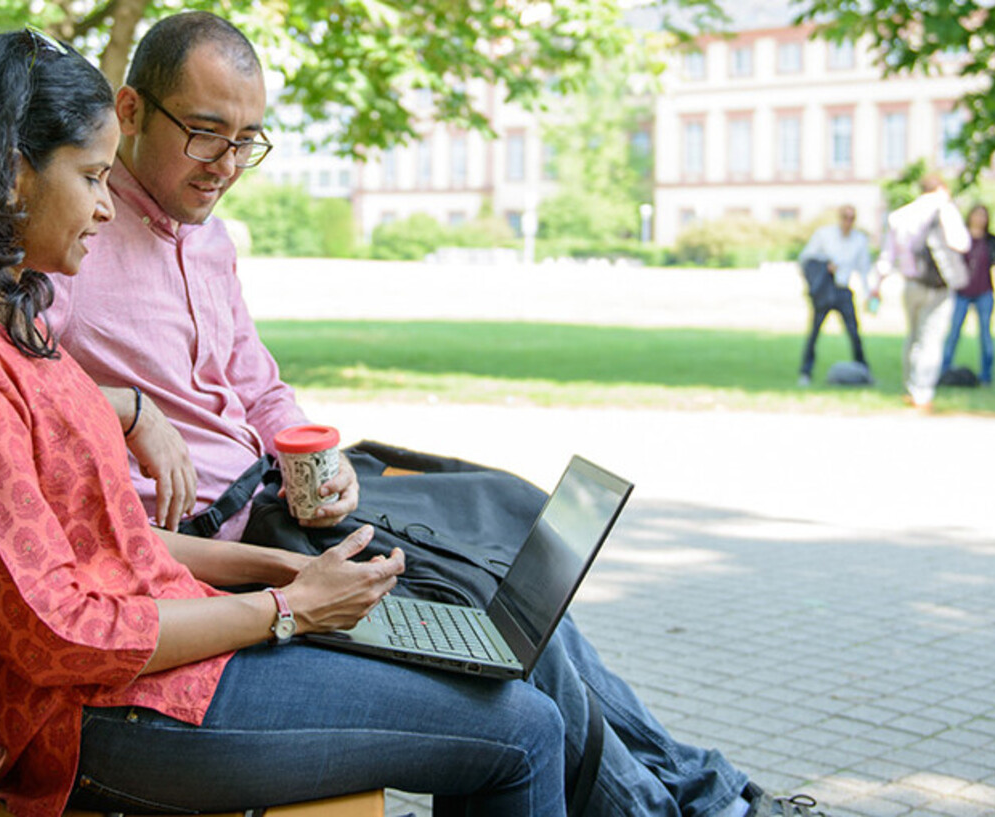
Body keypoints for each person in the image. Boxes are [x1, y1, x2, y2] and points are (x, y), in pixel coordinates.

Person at [46, 12, 826, 817]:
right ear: (130, 110)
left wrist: (318, 456)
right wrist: (127, 408)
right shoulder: (71, 233)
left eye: (248, 140)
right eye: (206, 134)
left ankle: (707, 791)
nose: (227, 164)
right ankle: (695, 806)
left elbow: (259, 382)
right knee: (503, 638)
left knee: (520, 605)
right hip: (219, 554)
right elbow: (15, 395)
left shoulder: (211, 240)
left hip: (291, 508)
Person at [0, 31, 578, 817]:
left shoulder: (5, 325)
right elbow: (61, 634)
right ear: (11, 175)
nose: (106, 202)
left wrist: (280, 572)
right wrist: (288, 611)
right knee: (521, 732)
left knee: (493, 672)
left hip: (167, 669)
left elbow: (109, 537)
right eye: (90, 175)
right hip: (111, 717)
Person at [872, 172, 971, 412]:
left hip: (912, 282)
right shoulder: (944, 210)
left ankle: (910, 386)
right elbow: (962, 243)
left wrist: (876, 286)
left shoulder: (900, 216)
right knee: (931, 338)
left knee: (913, 336)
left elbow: (887, 255)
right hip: (938, 284)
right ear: (940, 189)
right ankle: (922, 392)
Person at [795, 205, 872, 386]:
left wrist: (870, 295)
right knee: (814, 332)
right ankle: (805, 372)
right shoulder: (824, 235)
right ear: (839, 218)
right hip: (825, 290)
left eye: (851, 218)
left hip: (843, 290)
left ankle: (863, 371)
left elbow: (864, 269)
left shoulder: (859, 240)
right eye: (845, 217)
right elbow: (806, 258)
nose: (848, 221)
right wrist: (824, 267)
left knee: (854, 332)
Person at [941, 204, 995, 386]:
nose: (979, 219)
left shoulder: (990, 240)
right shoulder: (961, 238)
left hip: (984, 292)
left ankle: (986, 375)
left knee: (985, 334)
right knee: (953, 332)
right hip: (962, 291)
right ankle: (943, 370)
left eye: (982, 216)